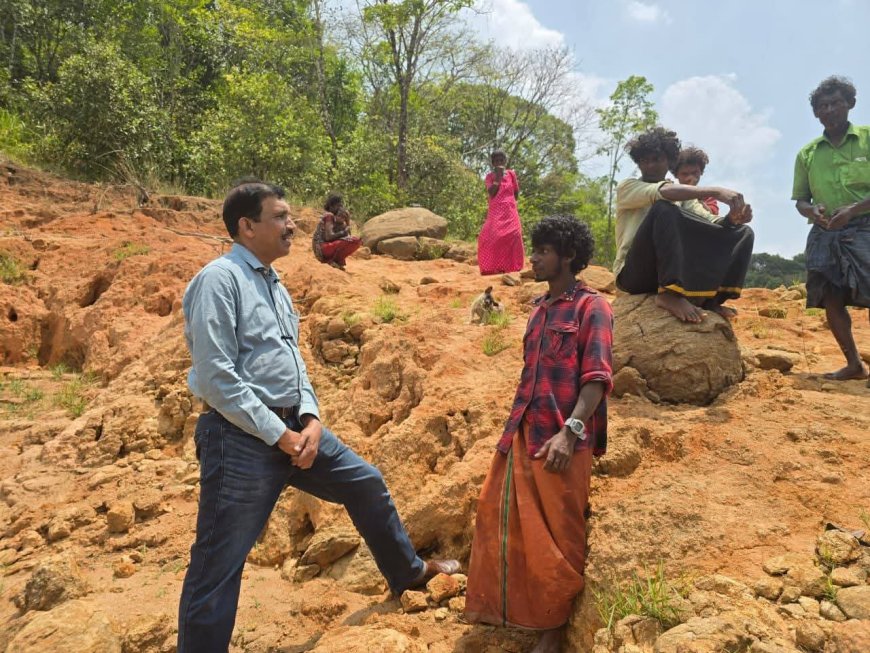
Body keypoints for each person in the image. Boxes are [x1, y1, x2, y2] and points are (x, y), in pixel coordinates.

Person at [177, 181, 459, 653]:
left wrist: (309, 419)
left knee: (366, 483)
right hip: (239, 438)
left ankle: (408, 575)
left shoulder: (274, 284)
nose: (293, 226)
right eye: (280, 217)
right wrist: (280, 436)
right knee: (218, 562)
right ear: (246, 226)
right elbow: (215, 377)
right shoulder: (219, 280)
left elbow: (294, 362)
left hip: (296, 431)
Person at [465, 215, 613, 653]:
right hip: (525, 430)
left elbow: (598, 377)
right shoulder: (539, 307)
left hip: (564, 439)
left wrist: (570, 431)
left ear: (567, 256)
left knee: (561, 536)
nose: (535, 258)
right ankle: (519, 612)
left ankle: (553, 627)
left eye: (544, 251)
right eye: (536, 249)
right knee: (505, 520)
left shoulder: (593, 307)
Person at [614, 127, 755, 322]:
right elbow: (664, 192)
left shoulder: (684, 196)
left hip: (670, 272)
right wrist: (715, 191)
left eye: (657, 159)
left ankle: (712, 300)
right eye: (645, 161)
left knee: (743, 232)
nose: (651, 165)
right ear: (638, 164)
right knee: (664, 209)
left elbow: (711, 222)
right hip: (633, 274)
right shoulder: (628, 187)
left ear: (669, 160)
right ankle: (669, 294)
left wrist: (734, 218)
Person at [792, 75, 870, 382]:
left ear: (850, 104)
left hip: (865, 226)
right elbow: (800, 200)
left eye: (836, 102)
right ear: (815, 113)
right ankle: (854, 364)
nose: (829, 109)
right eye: (822, 105)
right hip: (825, 233)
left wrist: (854, 209)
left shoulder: (867, 138)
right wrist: (813, 211)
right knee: (832, 298)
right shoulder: (807, 154)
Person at [478, 150, 525, 275]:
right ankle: (492, 267)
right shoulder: (490, 177)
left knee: (514, 235)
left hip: (510, 210)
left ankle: (514, 267)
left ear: (505, 161)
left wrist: (509, 202)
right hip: (495, 211)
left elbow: (516, 193)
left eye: (501, 160)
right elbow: (492, 192)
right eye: (496, 161)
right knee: (490, 237)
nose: (499, 162)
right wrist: (498, 177)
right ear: (493, 163)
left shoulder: (511, 174)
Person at [312, 193, 361, 270]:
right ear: (331, 206)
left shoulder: (335, 219)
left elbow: (348, 236)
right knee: (354, 241)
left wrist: (347, 221)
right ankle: (330, 260)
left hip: (323, 249)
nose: (340, 208)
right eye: (338, 206)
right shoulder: (329, 216)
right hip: (322, 249)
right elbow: (329, 237)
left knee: (354, 241)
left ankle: (333, 261)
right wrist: (344, 231)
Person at [673, 146, 720, 215]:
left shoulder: (707, 196)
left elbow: (712, 216)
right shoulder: (669, 191)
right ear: (676, 175)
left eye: (694, 173)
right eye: (684, 174)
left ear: (701, 172)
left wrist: (696, 196)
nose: (689, 177)